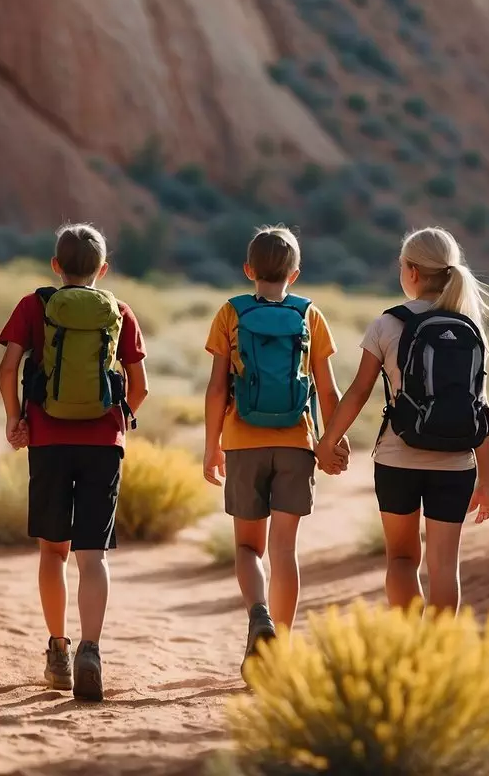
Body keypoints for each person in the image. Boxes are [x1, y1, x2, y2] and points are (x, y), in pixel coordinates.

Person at [0, 223, 148, 702]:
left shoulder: (32, 305)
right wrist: (121, 419)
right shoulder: (119, 311)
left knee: (53, 551)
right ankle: (91, 650)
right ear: (102, 269)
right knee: (92, 555)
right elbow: (139, 386)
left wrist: (17, 419)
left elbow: (8, 369)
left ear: (56, 265)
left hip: (48, 439)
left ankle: (58, 651)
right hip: (103, 442)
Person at [316, 227, 489, 614]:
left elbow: (359, 390)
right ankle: (441, 655)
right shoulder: (469, 327)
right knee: (445, 568)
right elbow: (479, 407)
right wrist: (488, 479)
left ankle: (414, 647)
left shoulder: (388, 323)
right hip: (456, 463)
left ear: (412, 272)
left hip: (398, 459)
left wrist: (328, 440)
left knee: (401, 560)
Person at [202, 226, 350, 680]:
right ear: (296, 272)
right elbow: (327, 388)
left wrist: (212, 446)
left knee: (249, 546)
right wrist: (334, 439)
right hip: (296, 443)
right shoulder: (310, 315)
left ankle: (259, 616)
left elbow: (216, 388)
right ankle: (278, 651)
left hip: (243, 442)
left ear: (248, 270)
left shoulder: (231, 312)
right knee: (284, 549)